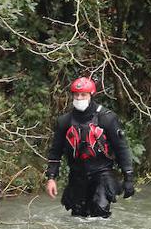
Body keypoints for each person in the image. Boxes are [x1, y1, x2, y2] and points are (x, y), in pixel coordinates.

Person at [44, 77, 136, 218]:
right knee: (78, 217)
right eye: (76, 94)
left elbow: (121, 148)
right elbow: (55, 152)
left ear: (91, 95)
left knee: (100, 212)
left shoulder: (107, 119)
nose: (79, 98)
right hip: (77, 176)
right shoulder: (65, 121)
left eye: (83, 95)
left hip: (102, 174)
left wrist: (128, 177)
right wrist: (51, 177)